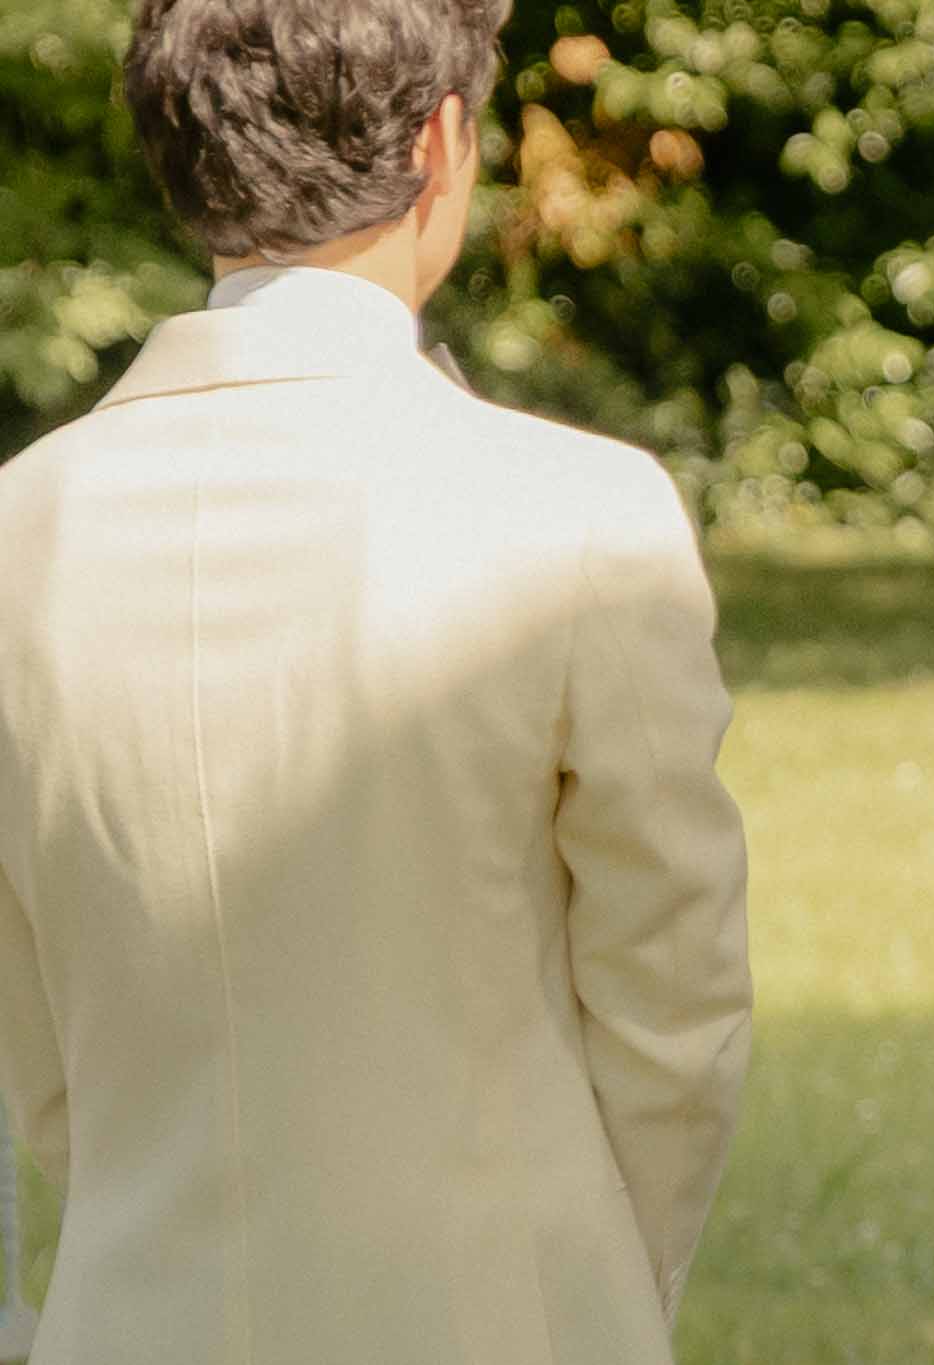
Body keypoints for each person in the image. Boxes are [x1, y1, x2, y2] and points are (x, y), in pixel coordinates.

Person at [0, 3, 750, 1361]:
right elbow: (673, 1015)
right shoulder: (581, 510)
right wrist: (596, 1288)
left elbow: (35, 1049)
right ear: (444, 139)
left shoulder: (15, 533)